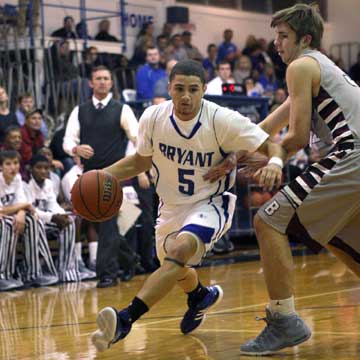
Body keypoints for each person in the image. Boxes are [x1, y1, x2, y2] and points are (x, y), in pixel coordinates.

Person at [90, 59, 285, 352]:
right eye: (179, 88)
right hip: (169, 208)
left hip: (210, 203)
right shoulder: (153, 118)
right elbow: (141, 160)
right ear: (169, 88)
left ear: (204, 90)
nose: (185, 97)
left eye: (193, 90)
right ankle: (199, 296)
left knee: (179, 252)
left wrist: (276, 162)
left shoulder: (221, 119)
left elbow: (272, 143)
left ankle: (124, 319)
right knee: (175, 267)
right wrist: (104, 175)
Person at [236, 3, 360, 355]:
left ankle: (283, 320)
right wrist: (229, 157)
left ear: (305, 39)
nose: (276, 43)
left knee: (267, 220)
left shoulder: (301, 65)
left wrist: (275, 158)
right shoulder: (318, 67)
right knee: (338, 237)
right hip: (355, 162)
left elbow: (296, 138)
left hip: (353, 154)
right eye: (275, 36)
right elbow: (264, 129)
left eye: (283, 36)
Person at [63, 65, 141, 287]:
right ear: (91, 83)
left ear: (111, 83)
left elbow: (137, 139)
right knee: (100, 223)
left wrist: (139, 166)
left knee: (106, 223)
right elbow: (67, 141)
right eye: (98, 78)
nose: (102, 82)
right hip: (89, 176)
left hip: (114, 175)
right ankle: (129, 259)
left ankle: (107, 273)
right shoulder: (79, 111)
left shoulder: (122, 109)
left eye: (106, 78)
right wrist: (76, 150)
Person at [0, 150, 58, 290]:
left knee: (33, 220)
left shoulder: (18, 179)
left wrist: (21, 211)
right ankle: (3, 275)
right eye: (8, 164)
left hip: (9, 216)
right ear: (0, 167)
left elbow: (21, 203)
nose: (13, 167)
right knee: (8, 223)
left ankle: (32, 273)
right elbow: (1, 210)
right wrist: (24, 206)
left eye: (15, 163)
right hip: (4, 218)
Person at [25, 154, 83, 282]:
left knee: (69, 222)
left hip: (46, 221)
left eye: (46, 168)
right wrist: (52, 217)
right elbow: (31, 211)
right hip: (31, 224)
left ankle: (67, 270)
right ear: (31, 169)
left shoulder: (48, 183)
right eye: (39, 168)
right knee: (37, 223)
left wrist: (62, 214)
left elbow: (53, 204)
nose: (43, 171)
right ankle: (39, 271)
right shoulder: (26, 185)